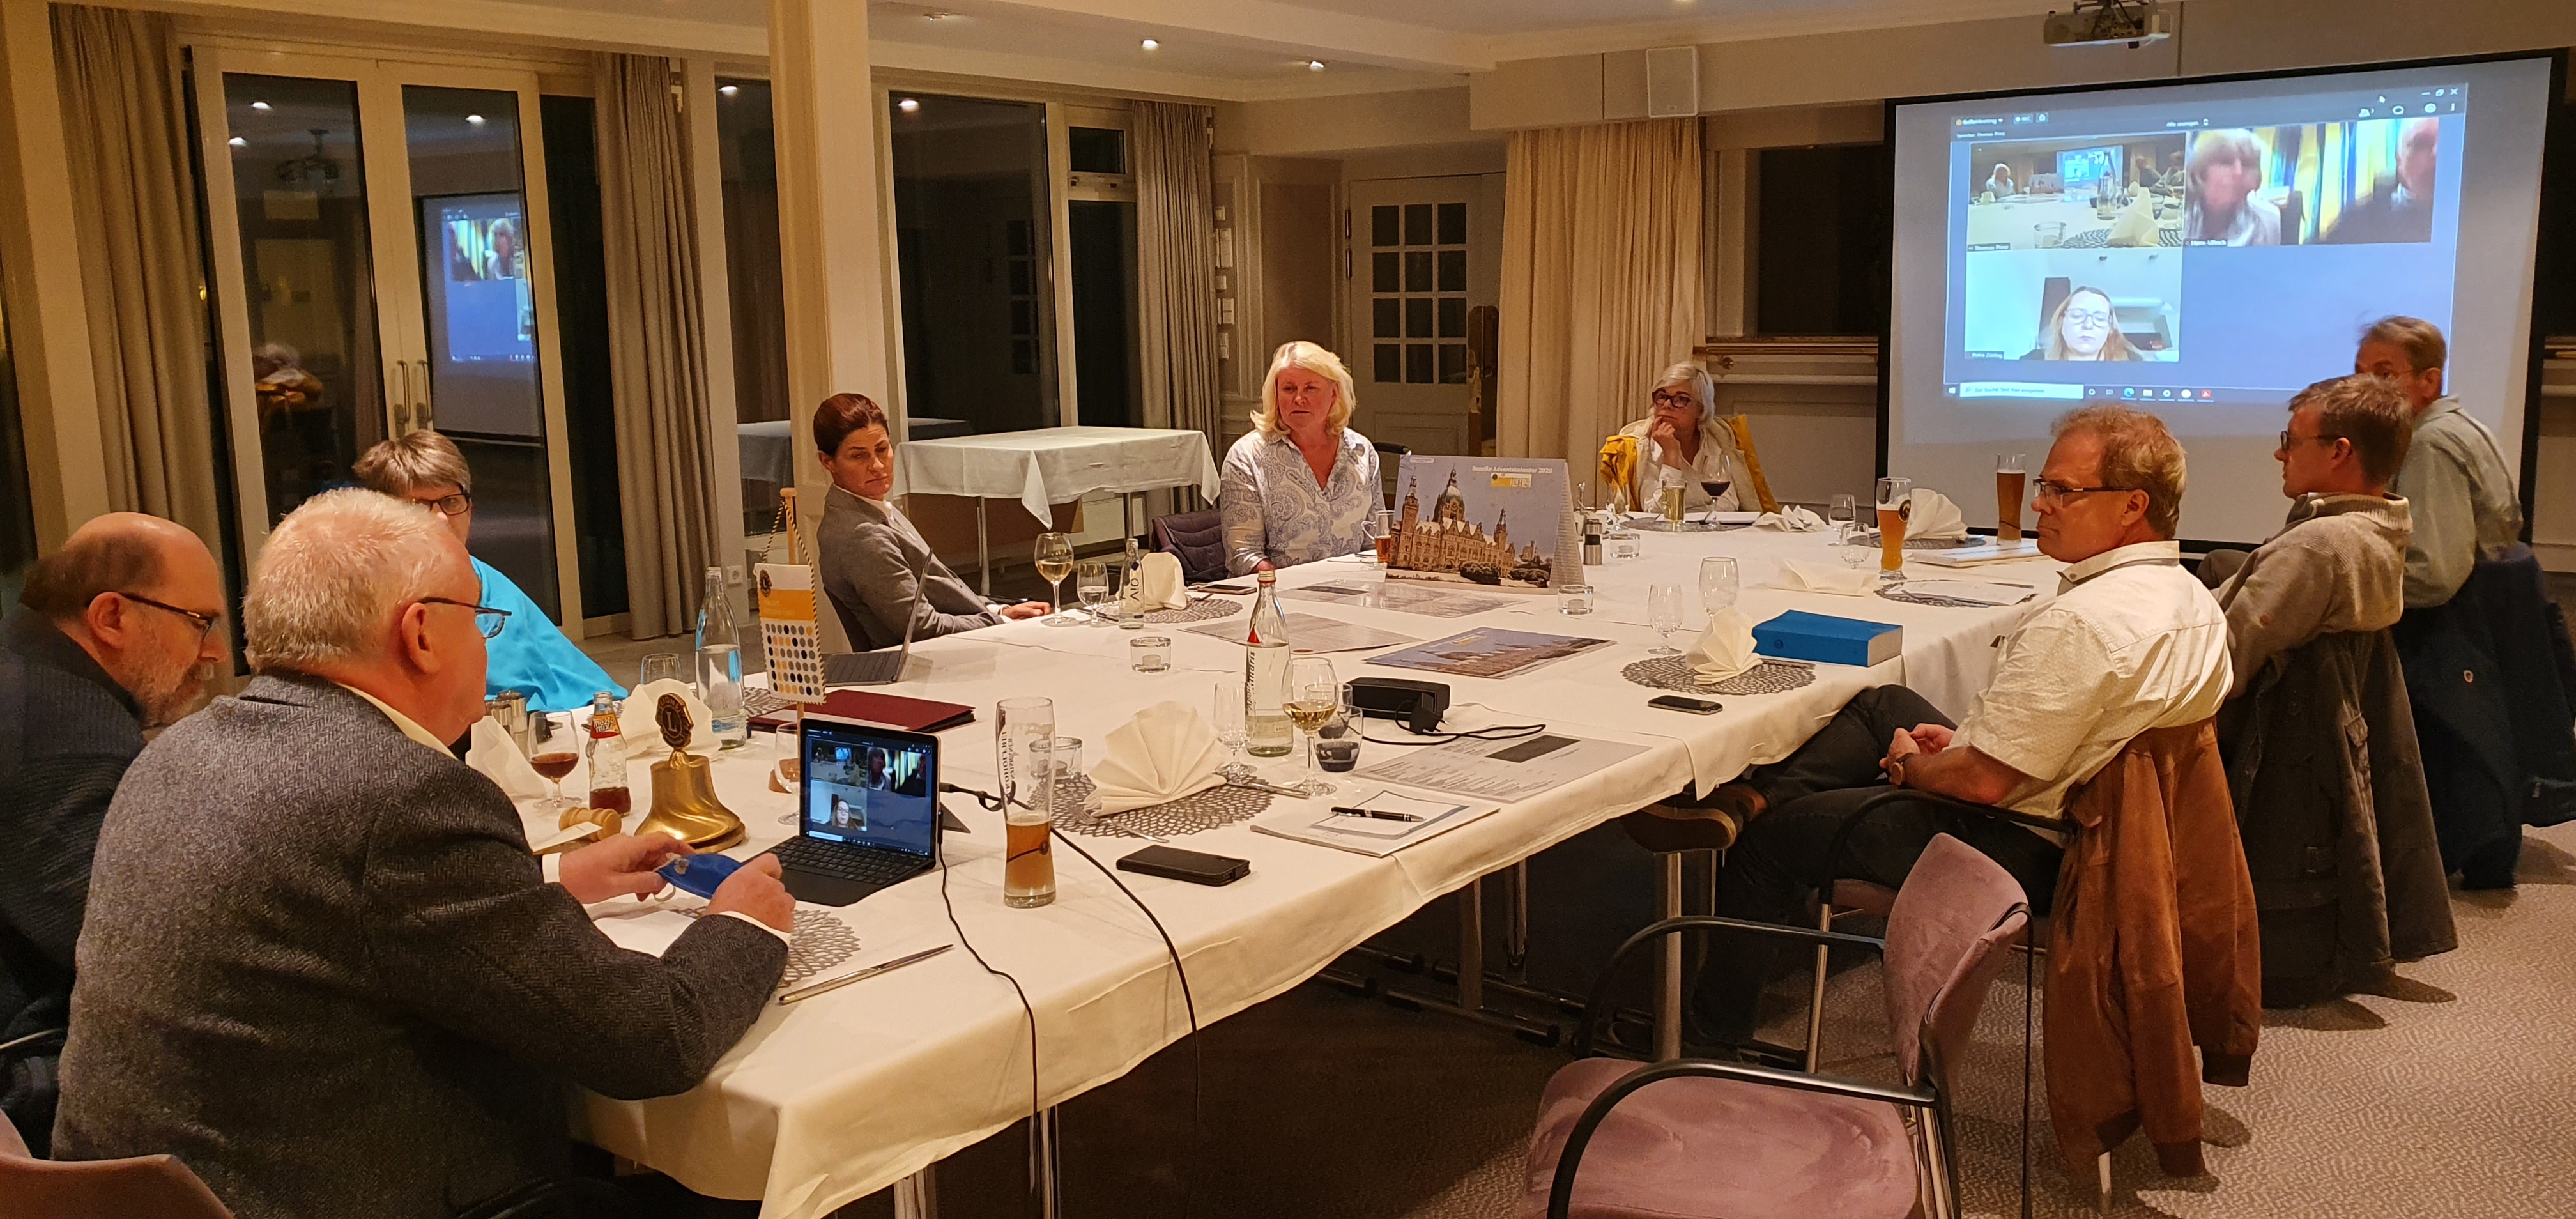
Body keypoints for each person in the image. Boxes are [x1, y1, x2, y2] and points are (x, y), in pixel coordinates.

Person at [52, 489, 794, 1218]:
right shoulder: (403, 797)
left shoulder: (176, 751)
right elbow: (650, 1039)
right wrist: (741, 923)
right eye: (481, 621)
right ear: (421, 635)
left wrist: (552, 877)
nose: (488, 647)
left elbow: (339, 911)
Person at [1667, 406, 2228, 1051]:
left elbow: (1984, 784)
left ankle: (1708, 1044)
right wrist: (1960, 744)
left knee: (1769, 846)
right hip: (2097, 825)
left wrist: (1917, 768)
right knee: (1884, 704)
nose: (2040, 504)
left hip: (2037, 845)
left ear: (2133, 506)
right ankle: (1754, 796)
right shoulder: (2191, 597)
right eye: (2044, 487)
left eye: (2062, 491)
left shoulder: (2083, 621)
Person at [0, 514, 227, 1154]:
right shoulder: (66, 735)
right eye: (201, 622)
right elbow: (130, 949)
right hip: (31, 1105)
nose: (216, 652)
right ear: (111, 617)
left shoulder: (23, 671)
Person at [353, 430, 619, 714]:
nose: (441, 518)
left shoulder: (484, 578)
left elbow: (582, 683)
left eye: (451, 502)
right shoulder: (368, 591)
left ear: (470, 510)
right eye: (418, 506)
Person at [2207, 375, 2413, 694]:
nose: (2280, 454)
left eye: (2291, 441)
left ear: (2338, 452)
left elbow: (2223, 664)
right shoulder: (2384, 530)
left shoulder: (2318, 547)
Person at [812, 392, 1048, 652]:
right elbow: (922, 627)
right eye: (859, 456)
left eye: (882, 450)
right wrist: (1001, 623)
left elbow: (937, 593)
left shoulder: (865, 506)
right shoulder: (863, 536)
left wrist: (998, 610)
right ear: (827, 462)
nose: (878, 466)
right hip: (928, 662)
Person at [2356, 317, 2520, 609]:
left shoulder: (2429, 445)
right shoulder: (2453, 425)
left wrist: (2345, 593)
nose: (2365, 388)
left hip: (2444, 623)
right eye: (2359, 374)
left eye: (2384, 375)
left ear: (2429, 382)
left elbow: (2432, 578)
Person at [1220, 341, 1383, 574]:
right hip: (1279, 590)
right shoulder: (1246, 456)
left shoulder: (1361, 451)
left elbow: (1374, 542)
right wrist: (1292, 588)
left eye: (1310, 388)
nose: (1298, 399)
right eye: (1289, 389)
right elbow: (1244, 556)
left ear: (1334, 394)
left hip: (1356, 587)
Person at [1606, 362, 1744, 512]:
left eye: (1680, 399)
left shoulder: (1715, 441)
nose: (1667, 405)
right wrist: (1671, 456)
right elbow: (1657, 513)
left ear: (1700, 409)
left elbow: (1728, 506)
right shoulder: (1642, 448)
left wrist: (1690, 515)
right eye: (1662, 396)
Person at [2325, 118, 2438, 245]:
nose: (2436, 154)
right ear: (2399, 159)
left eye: (2447, 143)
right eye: (2421, 144)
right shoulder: (2355, 226)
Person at [2184, 129, 2281, 246]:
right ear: (2202, 172)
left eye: (2247, 164)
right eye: (2226, 162)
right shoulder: (2175, 212)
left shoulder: (2267, 222)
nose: (2238, 172)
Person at [2023, 287, 2140, 362]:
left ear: (2110, 328)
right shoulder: (2033, 362)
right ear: (2061, 322)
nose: (2088, 325)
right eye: (2077, 316)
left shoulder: (2134, 363)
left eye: (2099, 318)